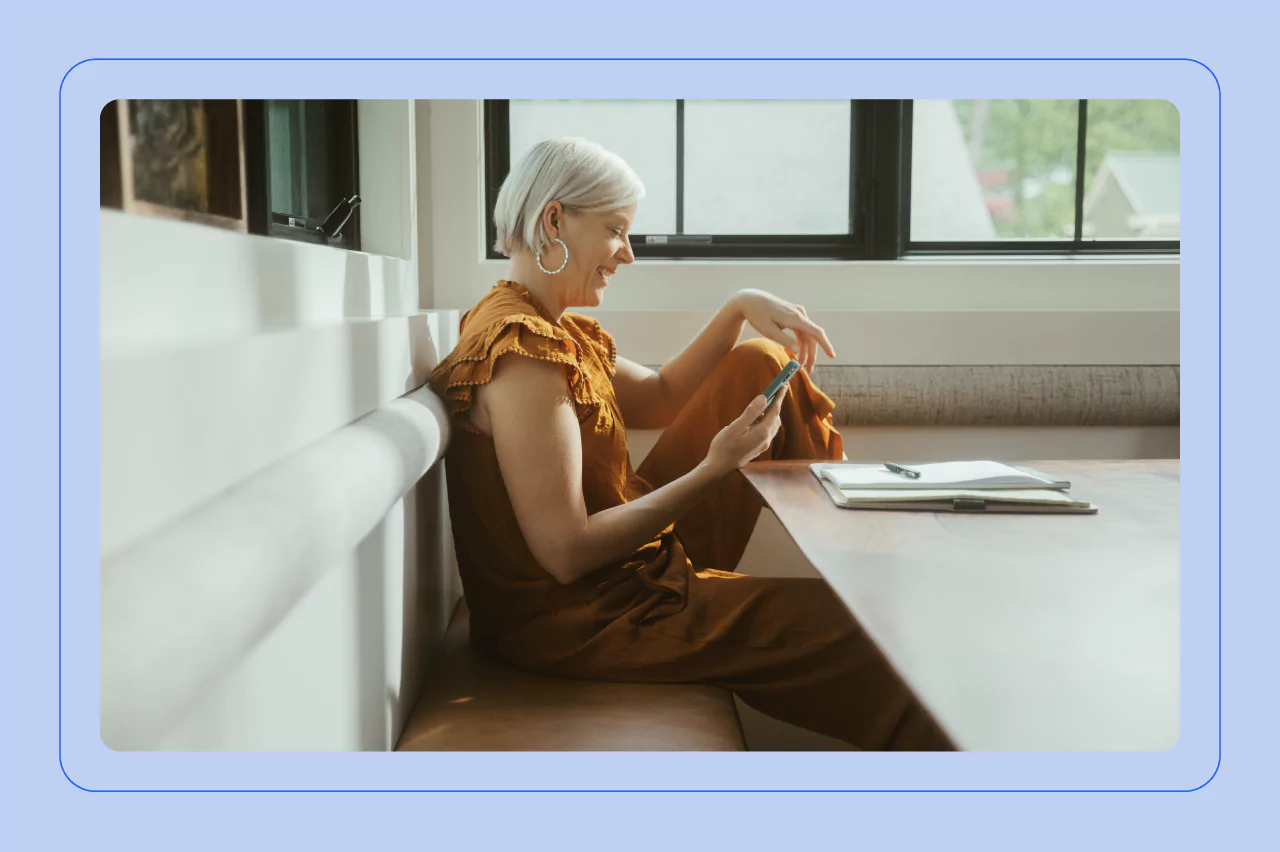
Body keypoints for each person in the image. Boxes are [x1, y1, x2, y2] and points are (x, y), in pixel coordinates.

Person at [429, 138, 952, 750]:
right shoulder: (523, 356)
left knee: (759, 362)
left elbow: (663, 395)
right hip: (587, 617)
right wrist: (716, 468)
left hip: (625, 576)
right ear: (554, 221)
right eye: (616, 230)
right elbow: (565, 553)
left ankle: (863, 561)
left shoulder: (549, 327)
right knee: (876, 640)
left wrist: (738, 307)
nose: (626, 254)